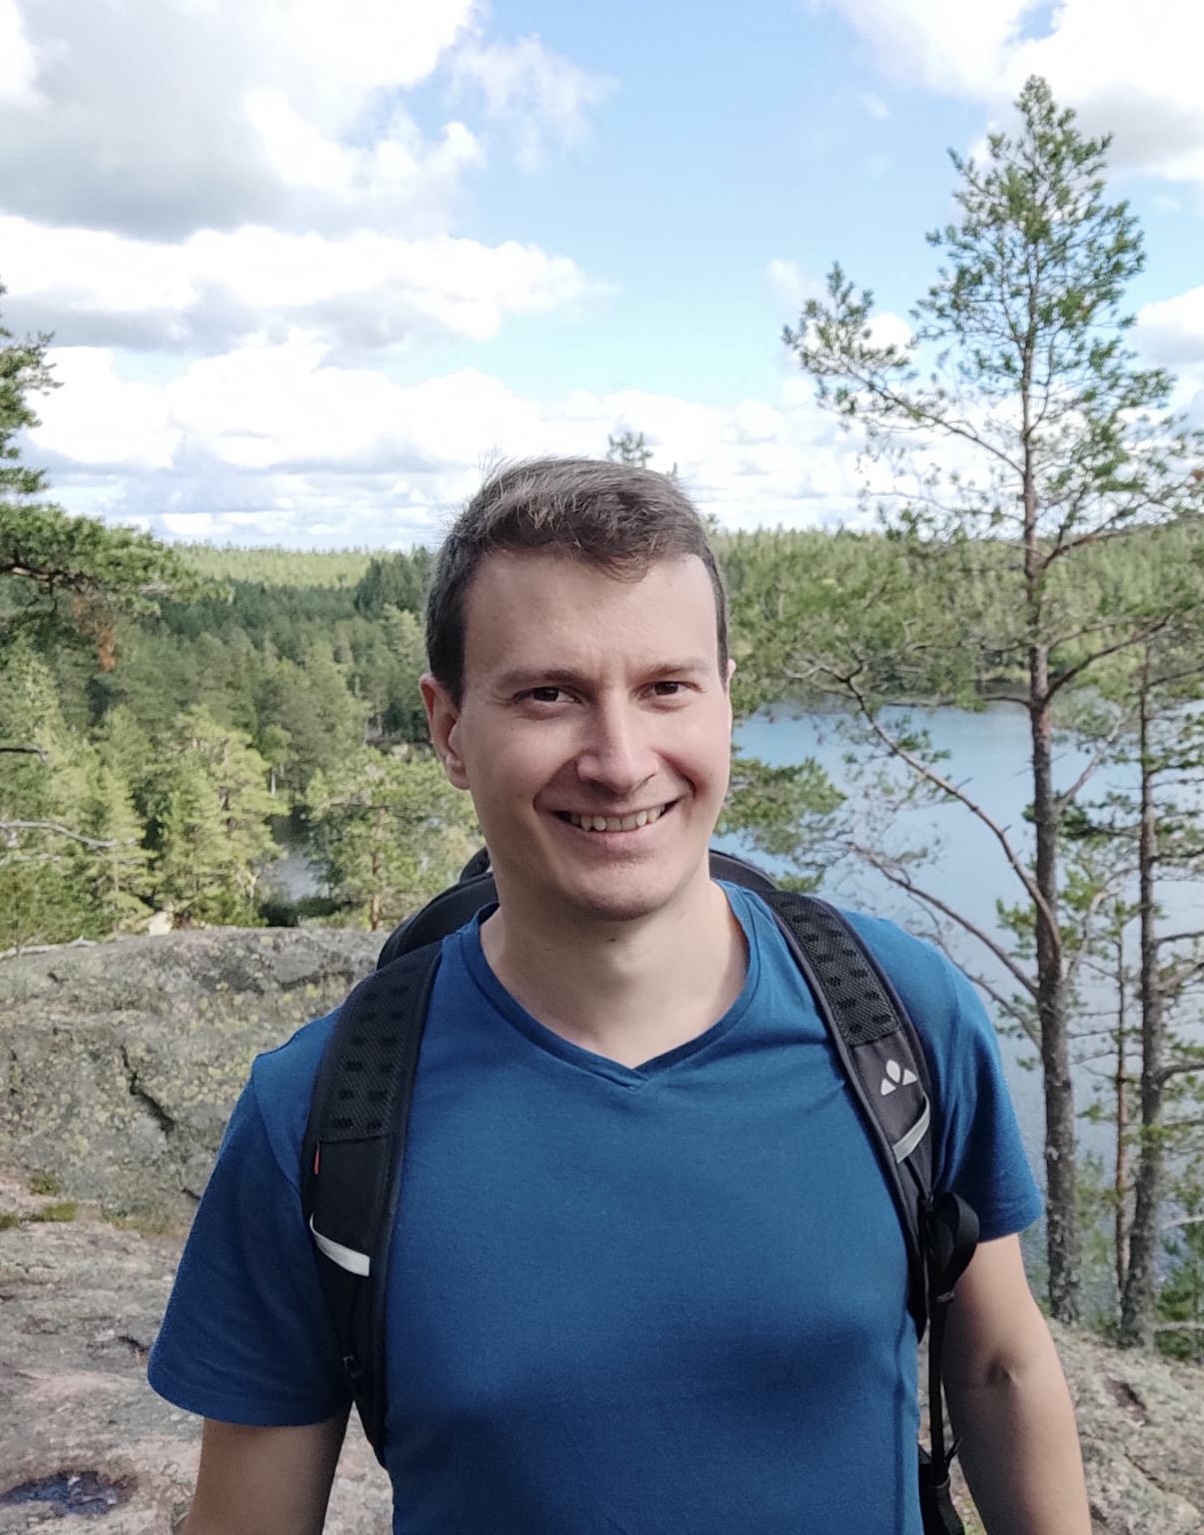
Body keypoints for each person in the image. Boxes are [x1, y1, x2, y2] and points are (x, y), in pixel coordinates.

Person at [149, 457, 1092, 1534]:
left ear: (727, 696)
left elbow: (1000, 1365)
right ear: (449, 729)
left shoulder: (898, 1018)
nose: (619, 759)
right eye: (548, 694)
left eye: (666, 687)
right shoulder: (321, 1114)